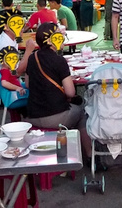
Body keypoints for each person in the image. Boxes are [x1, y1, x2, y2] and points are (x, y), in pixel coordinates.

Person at [16, 23, 91, 157]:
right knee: (82, 112)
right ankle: (88, 154)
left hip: (32, 115)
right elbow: (70, 93)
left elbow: (27, 84)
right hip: (56, 117)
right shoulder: (59, 60)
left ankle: (67, 147)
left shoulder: (33, 58)